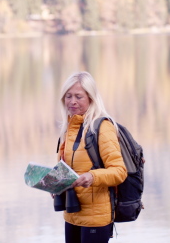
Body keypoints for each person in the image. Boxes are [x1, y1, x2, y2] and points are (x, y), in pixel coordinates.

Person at [56, 71, 127, 243]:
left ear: (91, 99)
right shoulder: (68, 129)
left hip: (96, 219)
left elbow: (119, 171)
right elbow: (66, 168)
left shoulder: (102, 128)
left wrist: (92, 176)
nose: (72, 101)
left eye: (79, 96)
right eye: (68, 96)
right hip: (72, 214)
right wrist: (55, 184)